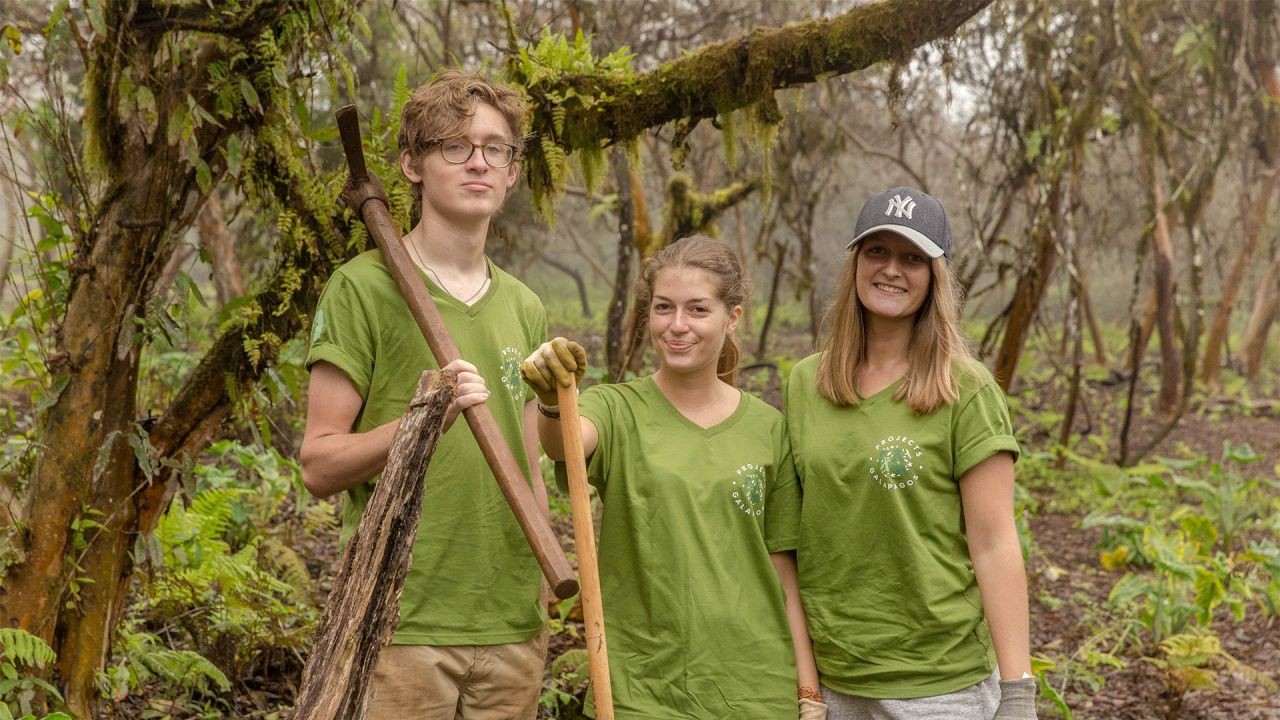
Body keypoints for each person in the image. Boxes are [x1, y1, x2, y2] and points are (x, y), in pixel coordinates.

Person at [300, 69, 550, 719]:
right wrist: (419, 421)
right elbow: (318, 466)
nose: (479, 163)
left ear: (513, 171)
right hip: (400, 623)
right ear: (412, 164)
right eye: (454, 146)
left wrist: (541, 598)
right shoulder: (362, 289)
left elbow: (529, 463)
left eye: (496, 148)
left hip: (512, 625)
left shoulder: (525, 306)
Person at [522, 235, 828, 720]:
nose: (677, 325)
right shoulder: (614, 408)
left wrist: (807, 691)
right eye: (663, 308)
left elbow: (782, 571)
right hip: (643, 687)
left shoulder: (769, 428)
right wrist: (552, 398)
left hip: (754, 687)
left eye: (698, 309)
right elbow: (564, 445)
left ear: (732, 318)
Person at [785, 187, 1038, 720]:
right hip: (834, 678)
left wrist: (1018, 692)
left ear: (935, 276)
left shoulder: (964, 390)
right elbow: (794, 533)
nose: (892, 270)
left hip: (938, 684)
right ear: (855, 264)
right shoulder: (807, 382)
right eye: (877, 251)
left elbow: (994, 543)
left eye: (912, 258)